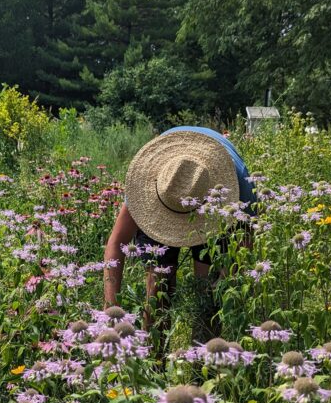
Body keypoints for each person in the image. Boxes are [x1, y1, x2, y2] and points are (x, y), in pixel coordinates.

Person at [104, 126, 255, 338]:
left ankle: (204, 359)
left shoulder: (238, 185)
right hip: (166, 201)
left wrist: (224, 284)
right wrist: (110, 312)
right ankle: (154, 357)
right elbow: (116, 244)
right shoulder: (149, 184)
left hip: (215, 210)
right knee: (158, 288)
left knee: (209, 294)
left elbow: (246, 240)